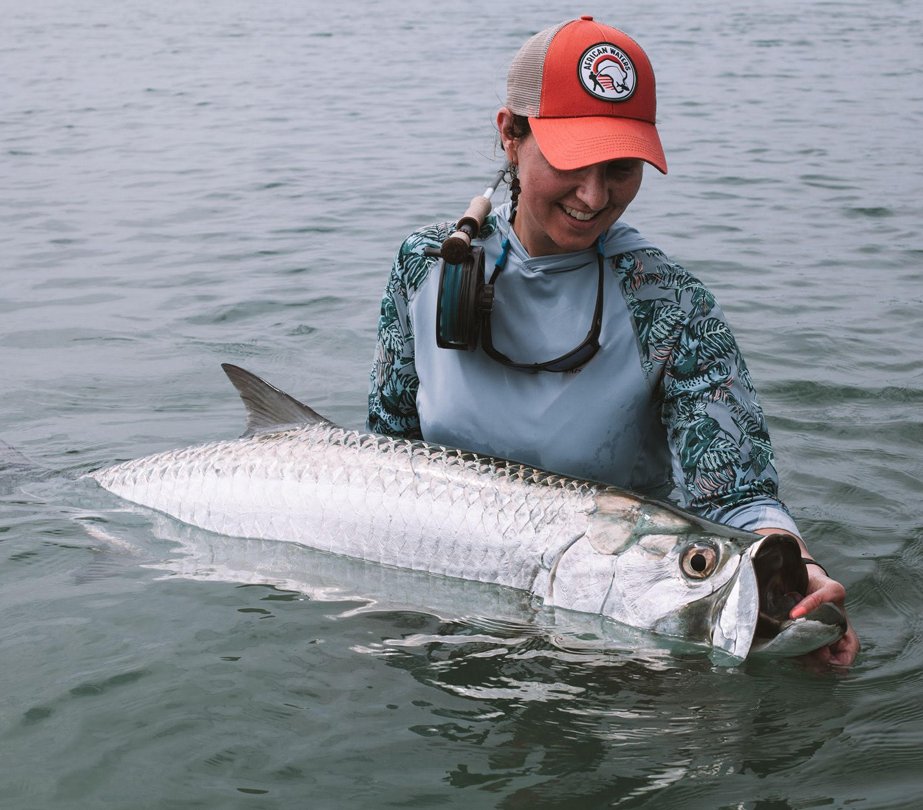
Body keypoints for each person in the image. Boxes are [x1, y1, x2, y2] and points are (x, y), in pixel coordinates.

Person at [367, 16, 858, 666]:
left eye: (621, 167)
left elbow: (735, 491)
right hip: (442, 585)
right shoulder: (426, 264)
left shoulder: (672, 303)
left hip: (614, 610)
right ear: (510, 136)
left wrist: (791, 578)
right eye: (571, 162)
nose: (595, 196)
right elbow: (384, 446)